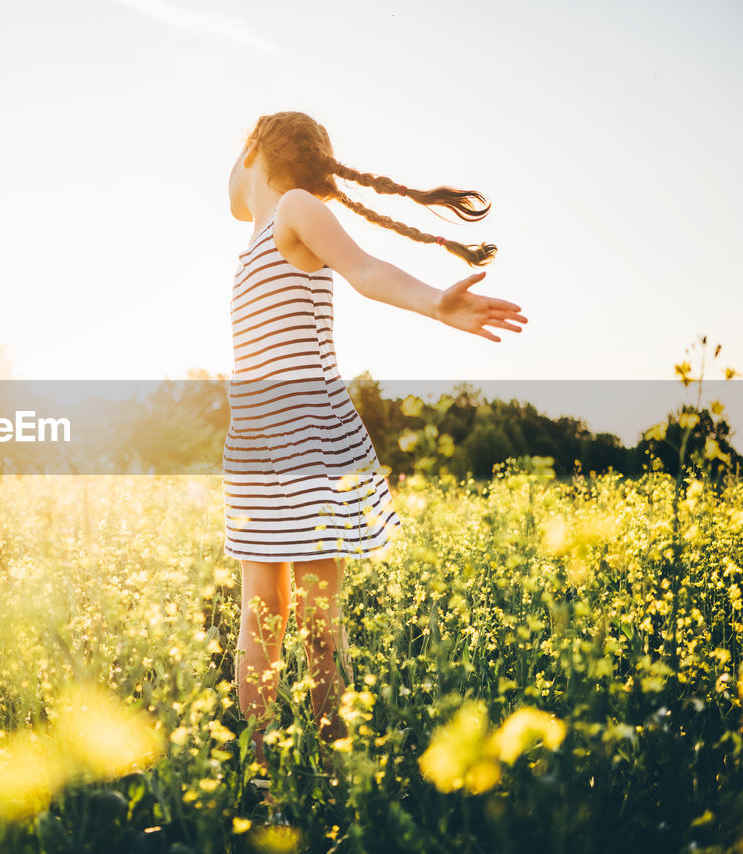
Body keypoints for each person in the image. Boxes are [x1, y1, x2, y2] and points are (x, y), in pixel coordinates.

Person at [222, 110, 527, 804]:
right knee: (263, 614)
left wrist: (433, 304)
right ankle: (258, 778)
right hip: (258, 442)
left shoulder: (297, 209)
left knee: (313, 624)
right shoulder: (254, 240)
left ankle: (333, 781)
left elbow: (364, 270)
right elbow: (238, 201)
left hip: (300, 438)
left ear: (253, 150)